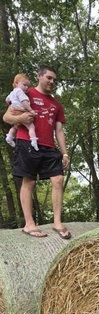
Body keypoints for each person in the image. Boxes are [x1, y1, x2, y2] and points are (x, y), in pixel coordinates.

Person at [2, 65, 71, 239]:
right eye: (49, 77)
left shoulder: (57, 104)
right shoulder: (26, 93)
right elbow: (6, 117)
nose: (52, 81)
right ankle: (29, 224)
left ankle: (57, 222)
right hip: (27, 143)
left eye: (54, 79)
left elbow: (59, 131)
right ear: (39, 77)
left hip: (49, 147)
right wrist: (20, 118)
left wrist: (64, 153)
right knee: (29, 182)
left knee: (58, 179)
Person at [5, 73, 39, 151]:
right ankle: (34, 141)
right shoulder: (20, 92)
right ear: (16, 83)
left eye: (28, 86)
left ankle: (9, 137)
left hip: (14, 110)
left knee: (15, 126)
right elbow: (24, 102)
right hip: (20, 111)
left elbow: (7, 100)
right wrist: (31, 110)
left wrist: (11, 104)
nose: (26, 87)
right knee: (31, 126)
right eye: (24, 85)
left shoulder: (12, 92)